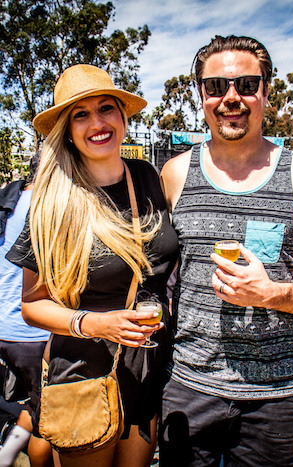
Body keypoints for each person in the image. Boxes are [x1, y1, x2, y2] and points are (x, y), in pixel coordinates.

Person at [159, 35, 293, 466]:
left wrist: (272, 294)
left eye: (246, 84)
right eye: (216, 87)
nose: (231, 98)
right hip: (189, 387)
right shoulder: (175, 173)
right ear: (200, 95)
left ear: (265, 91)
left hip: (275, 399)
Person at [6, 64, 178, 467]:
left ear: (123, 116)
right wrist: (97, 323)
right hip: (85, 371)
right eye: (80, 114)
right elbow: (32, 304)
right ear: (66, 129)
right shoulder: (53, 201)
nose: (97, 123)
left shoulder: (148, 177)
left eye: (106, 108)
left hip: (148, 367)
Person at [0, 154, 51, 467]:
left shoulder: (9, 202)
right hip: (34, 334)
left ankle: (9, 448)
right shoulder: (50, 209)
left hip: (4, 327)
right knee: (47, 421)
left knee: (25, 409)